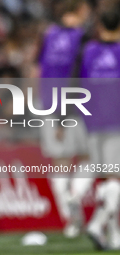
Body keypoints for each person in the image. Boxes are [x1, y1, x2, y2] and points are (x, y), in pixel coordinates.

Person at [36, 0, 92, 238]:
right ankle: (75, 195)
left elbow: (39, 71)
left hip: (47, 103)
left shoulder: (48, 34)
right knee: (91, 157)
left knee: (60, 163)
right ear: (79, 10)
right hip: (77, 106)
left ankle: (71, 221)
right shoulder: (84, 38)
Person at [80, 4, 120, 250]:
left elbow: (80, 83)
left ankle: (114, 235)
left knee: (106, 179)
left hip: (92, 122)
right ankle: (97, 223)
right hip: (116, 122)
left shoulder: (89, 51)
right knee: (115, 178)